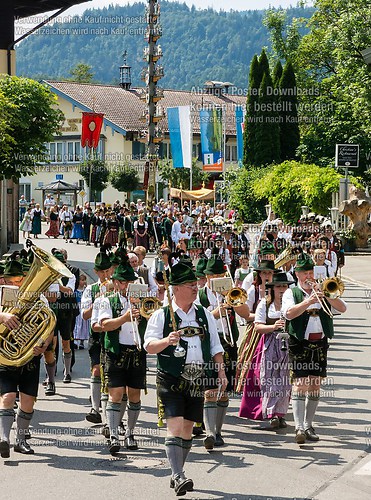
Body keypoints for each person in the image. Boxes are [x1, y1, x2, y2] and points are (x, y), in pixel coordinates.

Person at [144, 262, 227, 496]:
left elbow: (215, 344)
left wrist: (221, 372)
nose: (195, 287)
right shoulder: (162, 314)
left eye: (195, 283)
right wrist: (166, 342)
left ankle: (176, 470)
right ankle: (179, 475)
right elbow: (148, 345)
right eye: (190, 284)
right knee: (176, 425)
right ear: (176, 288)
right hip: (170, 377)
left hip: (196, 377)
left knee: (188, 429)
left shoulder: (202, 314)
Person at [282, 255, 347, 444]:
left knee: (315, 384)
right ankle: (299, 427)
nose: (308, 276)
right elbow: (288, 314)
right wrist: (308, 302)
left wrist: (326, 295)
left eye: (310, 272)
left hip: (320, 343)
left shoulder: (324, 290)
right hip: (299, 342)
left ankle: (309, 425)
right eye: (304, 273)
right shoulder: (291, 292)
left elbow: (342, 309)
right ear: (297, 274)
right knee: (300, 383)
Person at [0, 260, 53, 457]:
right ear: (5, 279)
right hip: (4, 355)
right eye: (12, 280)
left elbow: (49, 322)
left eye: (19, 279)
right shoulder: (0, 293)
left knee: (28, 401)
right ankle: (4, 438)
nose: (16, 284)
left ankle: (20, 440)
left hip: (29, 356)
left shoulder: (37, 298)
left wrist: (44, 345)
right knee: (7, 396)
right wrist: (2, 317)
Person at [197, 254, 250, 449]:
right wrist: (215, 314)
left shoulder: (230, 293)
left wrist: (234, 300)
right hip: (207, 343)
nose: (217, 278)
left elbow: (245, 314)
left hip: (228, 343)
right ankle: (210, 432)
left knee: (224, 391)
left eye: (220, 274)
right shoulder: (199, 294)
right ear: (207, 276)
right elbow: (195, 320)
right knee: (210, 389)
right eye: (213, 275)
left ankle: (218, 432)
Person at [98, 259, 147, 454]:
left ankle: (130, 433)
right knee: (115, 394)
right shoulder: (107, 300)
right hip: (116, 352)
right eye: (124, 282)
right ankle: (113, 435)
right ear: (117, 283)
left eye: (131, 281)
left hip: (137, 351)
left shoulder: (143, 300)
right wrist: (125, 318)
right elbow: (105, 325)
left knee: (134, 395)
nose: (128, 285)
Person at [239, 272, 293, 428]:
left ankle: (280, 414)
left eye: (284, 286)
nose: (282, 289)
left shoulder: (292, 303)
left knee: (284, 381)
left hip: (287, 343)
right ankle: (271, 413)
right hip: (269, 343)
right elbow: (258, 326)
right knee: (268, 378)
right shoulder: (265, 303)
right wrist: (273, 327)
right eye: (278, 286)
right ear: (273, 288)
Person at [81, 249, 113, 424]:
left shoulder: (119, 287)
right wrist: (98, 300)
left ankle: (113, 412)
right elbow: (85, 315)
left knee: (112, 374)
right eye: (102, 272)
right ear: (96, 272)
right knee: (96, 369)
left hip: (114, 335)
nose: (105, 274)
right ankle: (95, 408)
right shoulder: (90, 289)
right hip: (97, 334)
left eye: (108, 271)